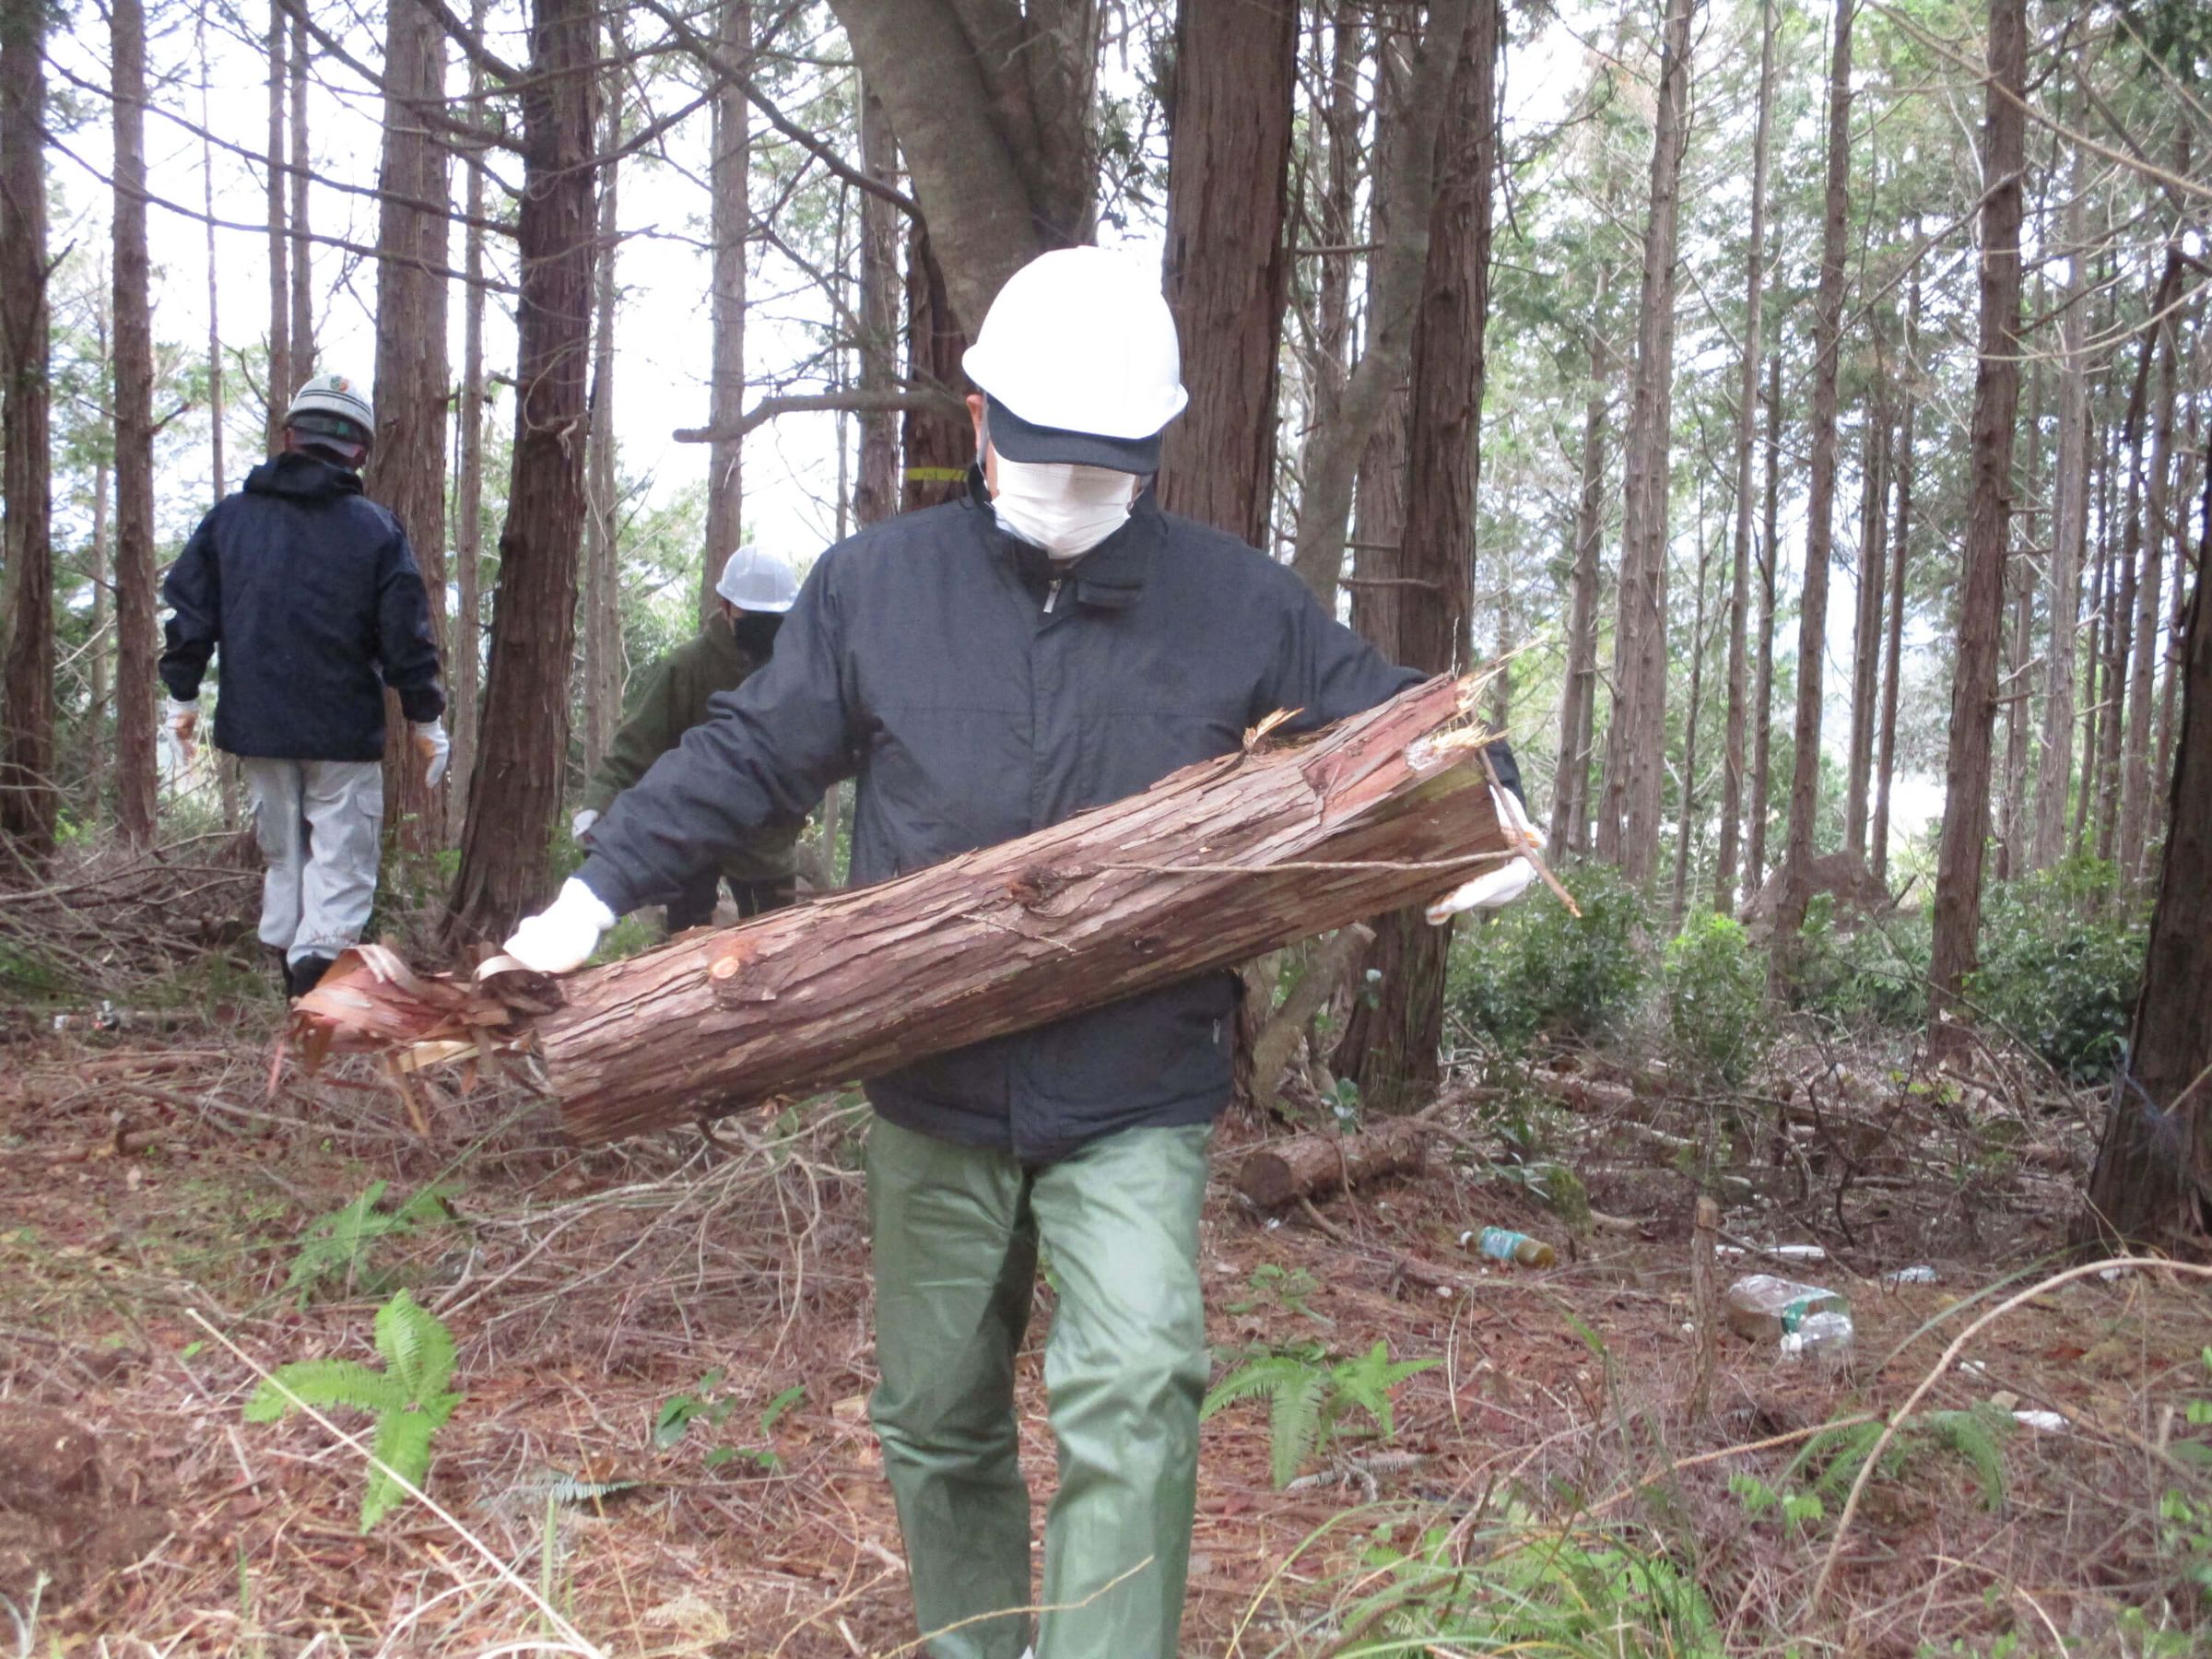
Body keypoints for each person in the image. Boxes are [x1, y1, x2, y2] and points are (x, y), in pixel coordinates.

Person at [500, 248, 1536, 1659]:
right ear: (979, 421)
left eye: (1099, 460)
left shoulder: (1240, 604)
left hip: (1138, 1088)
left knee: (1140, 1390)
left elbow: (1394, 719)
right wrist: (597, 883)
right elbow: (755, 752)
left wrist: (1494, 795)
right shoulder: (878, 588)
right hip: (933, 1087)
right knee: (936, 1418)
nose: (1065, 483)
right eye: (1042, 449)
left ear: (1151, 451)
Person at [159, 373, 449, 1000]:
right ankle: (314, 999)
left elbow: (188, 616)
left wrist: (180, 699)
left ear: (290, 436)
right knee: (340, 866)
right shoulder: (375, 529)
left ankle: (292, 993)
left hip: (257, 728)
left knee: (285, 857)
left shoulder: (228, 521)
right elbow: (407, 637)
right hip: (341, 735)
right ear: (360, 453)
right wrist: (427, 720)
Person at [572, 547, 806, 931]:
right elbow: (639, 744)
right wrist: (599, 802)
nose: (764, 625)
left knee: (778, 939)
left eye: (773, 617)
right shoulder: (689, 667)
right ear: (727, 606)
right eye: (753, 614)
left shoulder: (791, 670)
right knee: (687, 939)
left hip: (766, 837)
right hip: (692, 827)